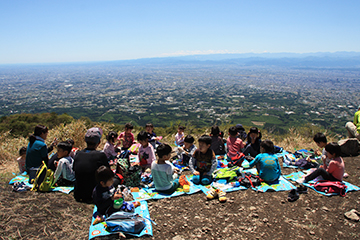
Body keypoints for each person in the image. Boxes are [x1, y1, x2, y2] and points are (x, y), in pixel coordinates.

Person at [73, 127, 110, 203]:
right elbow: (108, 173)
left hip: (78, 193)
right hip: (93, 194)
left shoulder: (78, 154)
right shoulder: (100, 155)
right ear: (99, 142)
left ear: (85, 140)